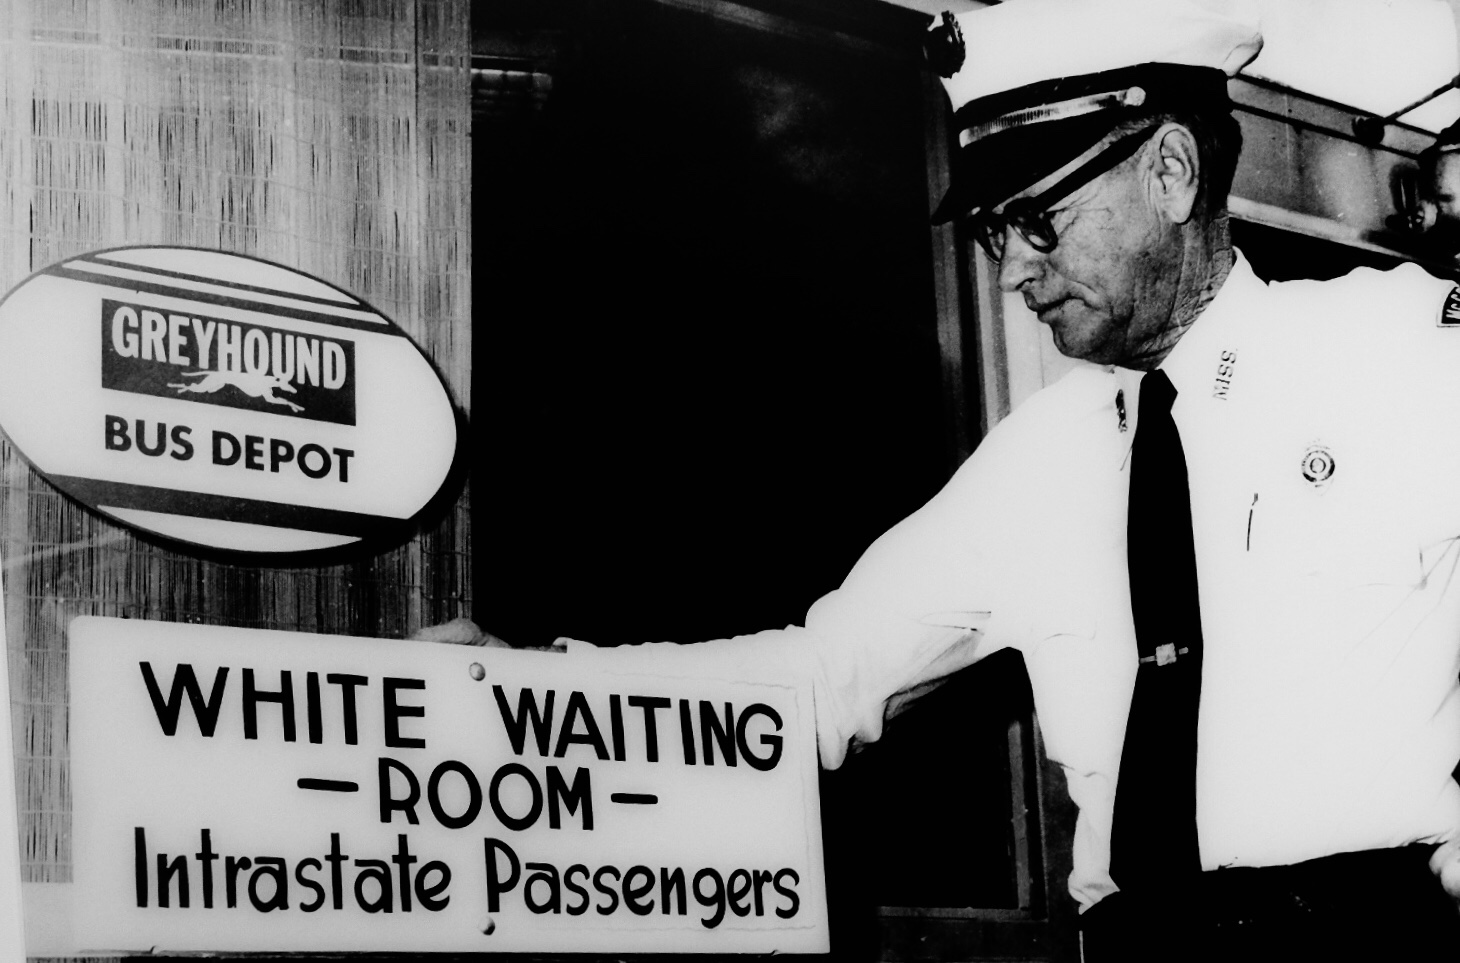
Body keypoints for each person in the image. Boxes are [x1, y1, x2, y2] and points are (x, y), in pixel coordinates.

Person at [435, 0, 1460, 957]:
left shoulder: (1400, 354)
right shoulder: (1040, 461)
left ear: (1172, 172)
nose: (1011, 272)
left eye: (1039, 220)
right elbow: (823, 678)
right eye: (993, 231)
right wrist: (529, 690)